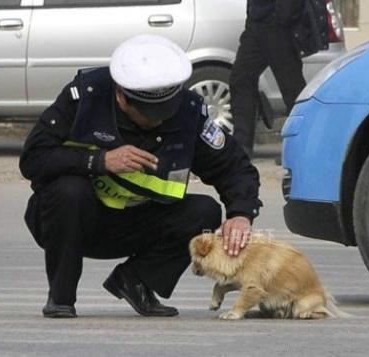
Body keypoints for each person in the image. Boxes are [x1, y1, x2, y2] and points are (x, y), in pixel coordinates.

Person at [19, 34, 262, 318]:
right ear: (122, 97)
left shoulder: (187, 111)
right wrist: (99, 160)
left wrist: (242, 213)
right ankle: (60, 297)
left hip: (137, 224)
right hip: (73, 221)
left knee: (205, 211)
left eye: (165, 112)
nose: (158, 120)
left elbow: (233, 166)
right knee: (68, 191)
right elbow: (33, 159)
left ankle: (136, 281)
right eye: (149, 113)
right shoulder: (84, 97)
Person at [230, 0, 329, 158]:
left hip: (278, 24)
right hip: (257, 23)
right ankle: (242, 146)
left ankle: (305, 144)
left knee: (292, 89)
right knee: (240, 78)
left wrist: (284, 15)